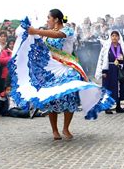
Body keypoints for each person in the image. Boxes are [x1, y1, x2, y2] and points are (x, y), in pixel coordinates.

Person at [11, 9, 114, 140]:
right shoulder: (46, 35)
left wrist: (36, 31)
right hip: (52, 70)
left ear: (56, 20)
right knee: (52, 97)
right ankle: (54, 130)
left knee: (69, 96)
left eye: (48, 18)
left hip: (67, 67)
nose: (47, 20)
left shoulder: (68, 30)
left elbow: (58, 35)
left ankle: (66, 128)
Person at [95, 30, 124, 114]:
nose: (114, 37)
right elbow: (102, 60)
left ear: (119, 37)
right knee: (108, 88)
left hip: (119, 69)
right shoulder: (106, 47)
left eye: (116, 36)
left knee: (119, 87)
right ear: (110, 37)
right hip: (109, 70)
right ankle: (107, 108)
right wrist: (103, 71)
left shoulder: (122, 47)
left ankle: (118, 107)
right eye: (113, 35)